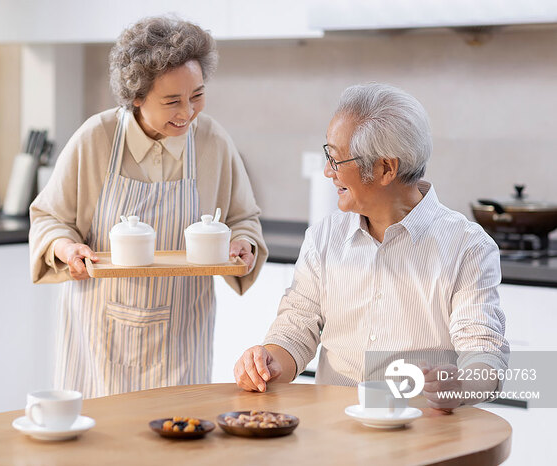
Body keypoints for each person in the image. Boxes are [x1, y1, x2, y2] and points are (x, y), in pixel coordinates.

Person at [233, 83, 509, 412]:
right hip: (337, 435)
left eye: (336, 160)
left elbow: (484, 354)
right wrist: (271, 361)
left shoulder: (467, 246)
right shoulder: (324, 236)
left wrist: (462, 383)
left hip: (423, 436)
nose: (327, 172)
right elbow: (297, 325)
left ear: (385, 169)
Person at [30, 16, 267, 398]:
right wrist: (67, 249)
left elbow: (243, 218)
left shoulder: (212, 142)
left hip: (182, 334)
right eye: (172, 101)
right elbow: (50, 217)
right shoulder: (96, 138)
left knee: (178, 439)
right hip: (98, 333)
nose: (188, 112)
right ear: (136, 96)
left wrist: (242, 244)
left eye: (197, 96)